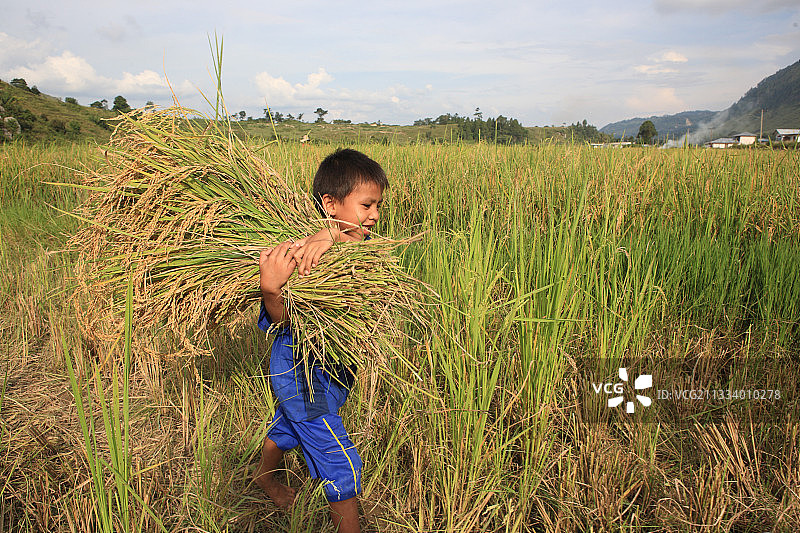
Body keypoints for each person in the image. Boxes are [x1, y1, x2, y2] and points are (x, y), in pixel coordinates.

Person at [254, 148, 387, 533]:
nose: (375, 215)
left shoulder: (346, 244)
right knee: (337, 457)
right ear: (330, 203)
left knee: (288, 429)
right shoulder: (301, 255)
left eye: (378, 205)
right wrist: (270, 289)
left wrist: (331, 232)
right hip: (302, 375)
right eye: (367, 205)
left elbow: (348, 248)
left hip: (333, 372)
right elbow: (280, 324)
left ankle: (262, 477)